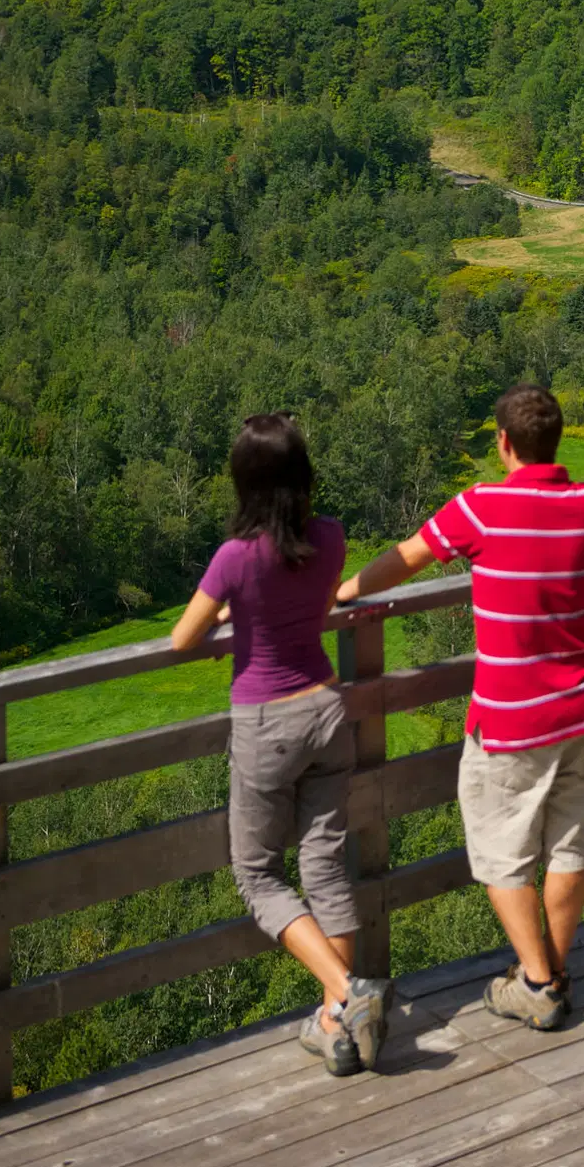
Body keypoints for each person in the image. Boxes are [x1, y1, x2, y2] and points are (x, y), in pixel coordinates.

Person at [337, 383, 584, 1031]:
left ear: (503, 443)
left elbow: (409, 555)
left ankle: (538, 983)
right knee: (570, 845)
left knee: (502, 850)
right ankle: (554, 970)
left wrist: (346, 590)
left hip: (512, 716)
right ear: (557, 440)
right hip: (583, 708)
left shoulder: (481, 506)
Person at [170, 414, 390, 1078]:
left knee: (258, 873)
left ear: (245, 482)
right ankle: (336, 1026)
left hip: (267, 723)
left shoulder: (234, 557)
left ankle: (350, 995)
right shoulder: (330, 537)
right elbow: (311, 603)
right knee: (324, 868)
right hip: (327, 708)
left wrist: (235, 608)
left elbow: (182, 640)